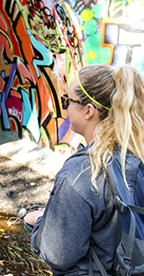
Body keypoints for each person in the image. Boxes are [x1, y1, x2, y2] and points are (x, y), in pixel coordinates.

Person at [24, 64, 144, 275]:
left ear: (88, 111)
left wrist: (39, 222)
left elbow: (57, 254)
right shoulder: (136, 156)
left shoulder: (79, 173)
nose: (65, 108)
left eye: (67, 101)